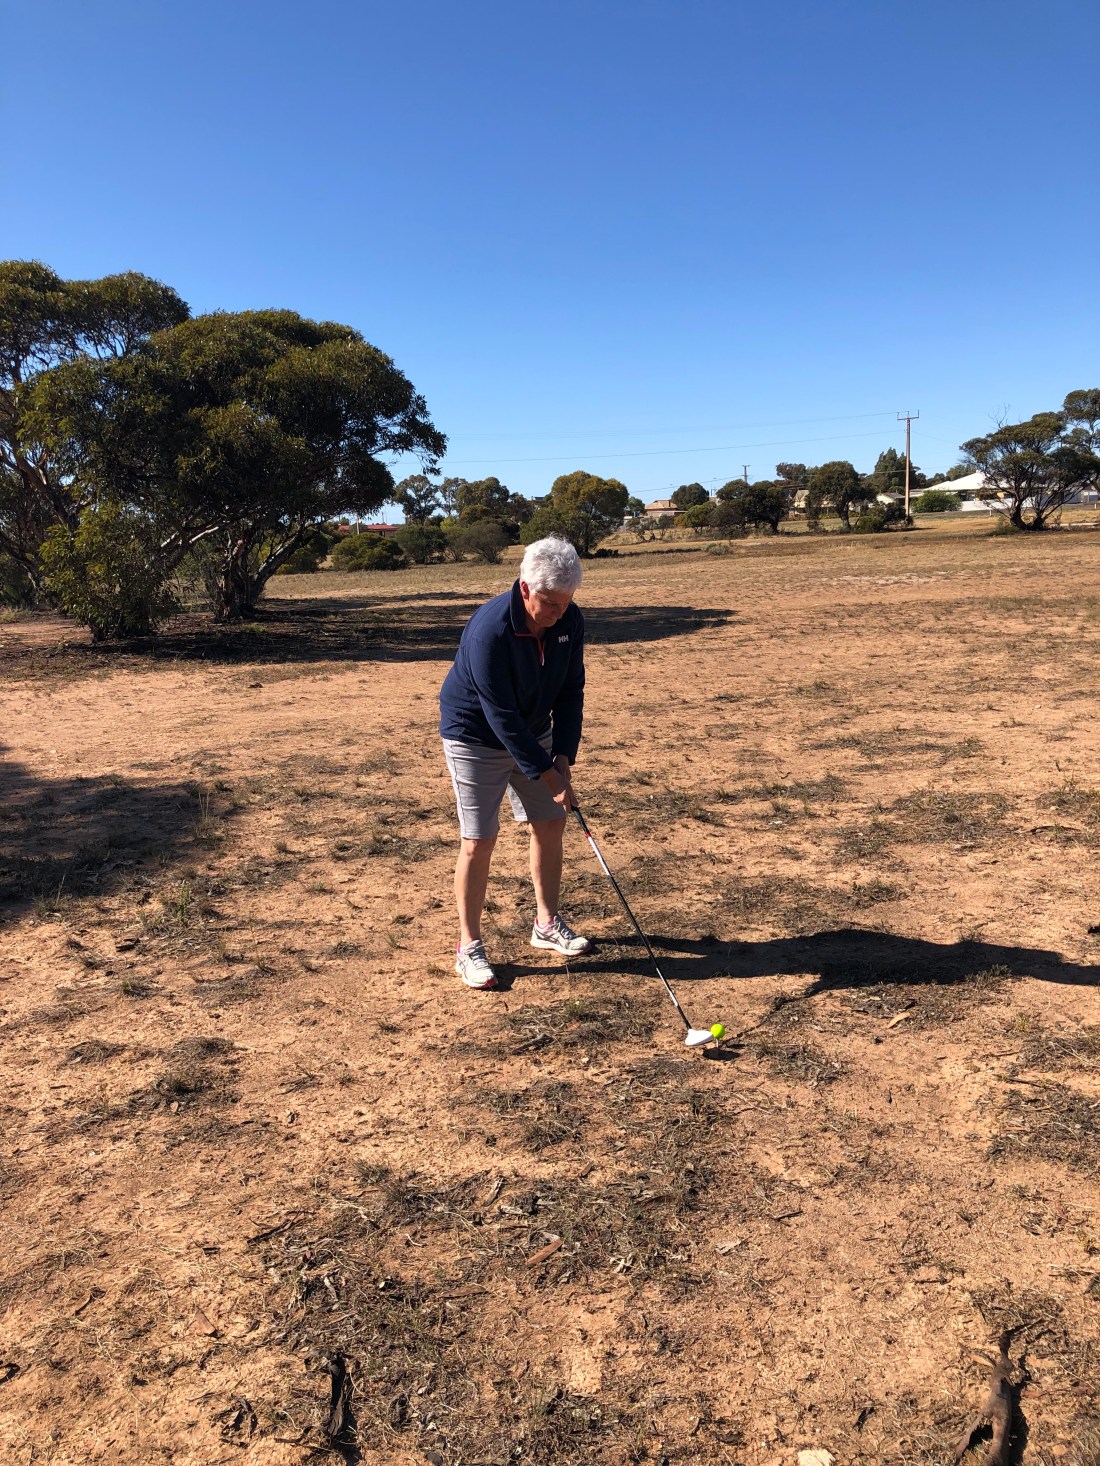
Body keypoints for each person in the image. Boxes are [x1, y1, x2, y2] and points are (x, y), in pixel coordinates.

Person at [439, 535, 593, 989]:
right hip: (475, 736)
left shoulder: (570, 620)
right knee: (479, 839)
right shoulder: (490, 631)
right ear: (525, 588)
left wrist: (563, 756)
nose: (559, 613)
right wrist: (548, 776)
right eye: (550, 603)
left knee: (550, 822)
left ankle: (546, 924)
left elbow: (571, 690)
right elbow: (501, 716)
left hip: (535, 729)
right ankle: (468, 947)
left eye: (566, 602)